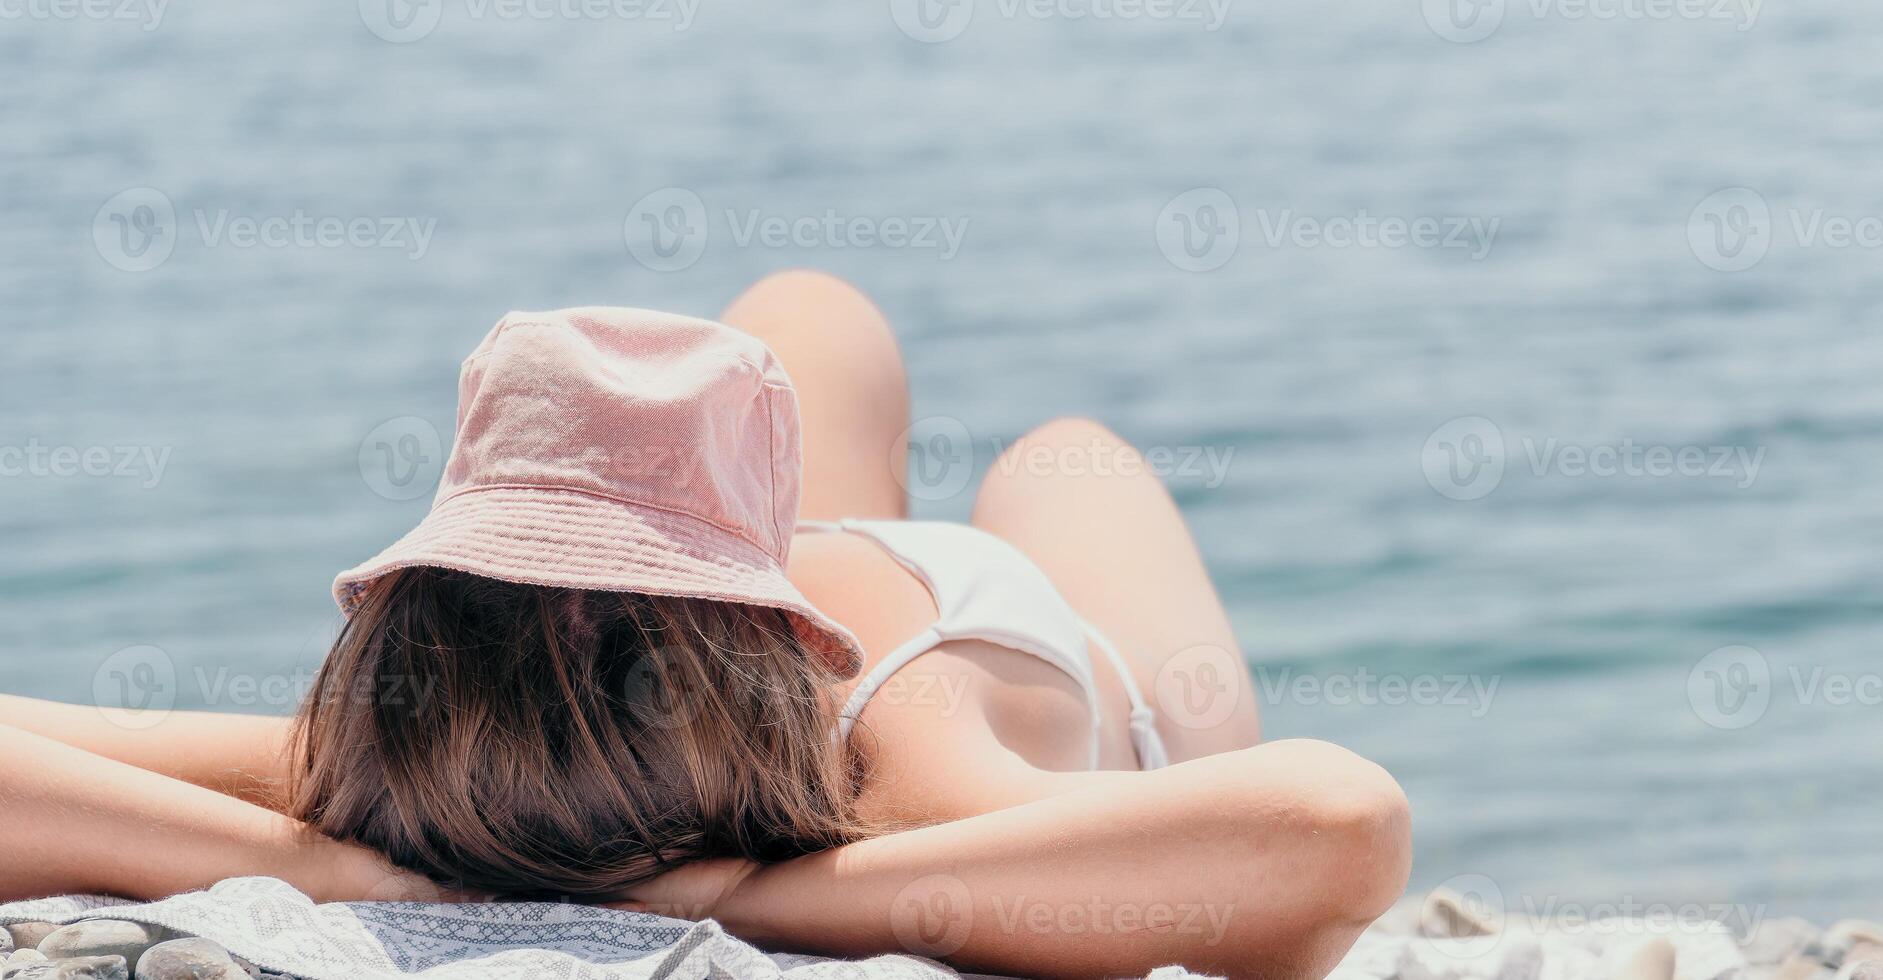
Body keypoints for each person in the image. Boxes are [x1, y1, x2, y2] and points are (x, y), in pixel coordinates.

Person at [0, 272, 1409, 979]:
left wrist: (321, 857)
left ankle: (718, 518)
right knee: (1055, 451)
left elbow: (1340, 826)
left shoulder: (436, 739)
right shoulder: (886, 784)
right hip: (834, 613)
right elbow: (1332, 830)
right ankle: (717, 517)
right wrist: (753, 898)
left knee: (813, 328)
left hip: (888, 636)